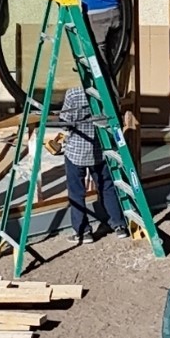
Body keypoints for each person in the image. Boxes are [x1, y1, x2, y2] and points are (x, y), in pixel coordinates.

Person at [57, 82, 125, 243]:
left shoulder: (73, 93)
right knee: (107, 187)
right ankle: (118, 225)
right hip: (100, 150)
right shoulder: (105, 92)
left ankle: (83, 232)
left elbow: (65, 122)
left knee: (76, 193)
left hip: (76, 152)